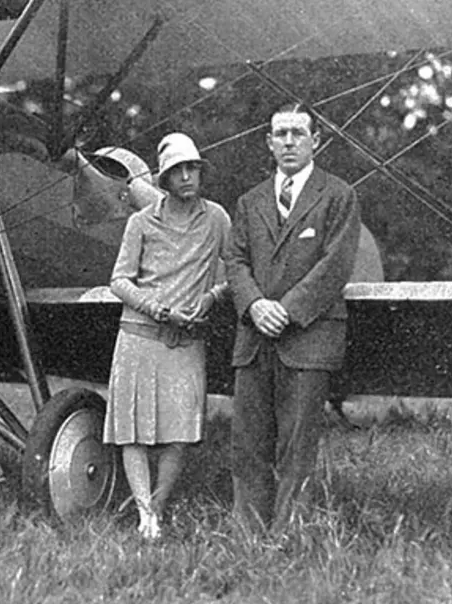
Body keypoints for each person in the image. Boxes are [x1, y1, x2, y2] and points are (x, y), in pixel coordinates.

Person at [226, 102, 361, 534]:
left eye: (297, 134)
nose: (288, 142)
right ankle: (248, 537)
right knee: (248, 444)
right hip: (254, 339)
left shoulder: (338, 195)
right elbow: (235, 259)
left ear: (315, 141)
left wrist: (286, 309)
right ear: (268, 142)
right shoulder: (249, 202)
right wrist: (253, 305)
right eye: (279, 134)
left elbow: (335, 264)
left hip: (308, 339)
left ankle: (287, 537)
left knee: (297, 446)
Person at [103, 132, 231, 540]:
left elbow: (234, 269)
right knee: (132, 431)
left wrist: (211, 297)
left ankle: (157, 506)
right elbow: (119, 280)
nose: (188, 176)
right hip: (139, 334)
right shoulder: (140, 222)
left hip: (186, 337)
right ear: (165, 179)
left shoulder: (217, 219)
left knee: (180, 432)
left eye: (193, 168)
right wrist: (153, 307)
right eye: (178, 171)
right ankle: (145, 517)